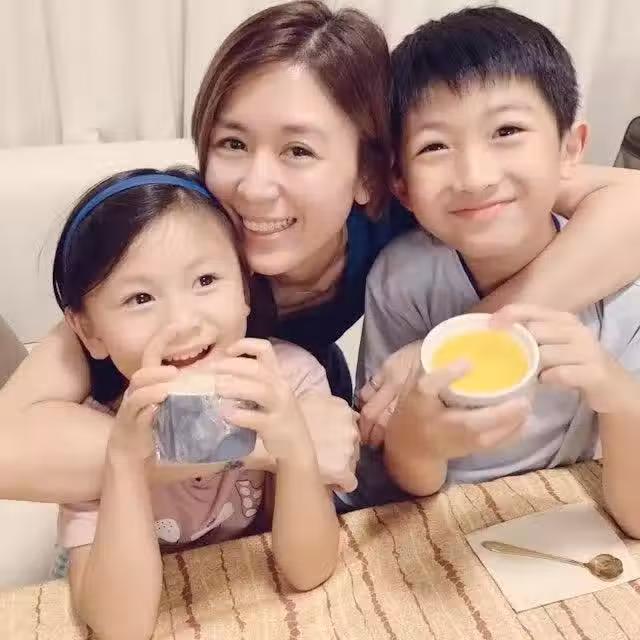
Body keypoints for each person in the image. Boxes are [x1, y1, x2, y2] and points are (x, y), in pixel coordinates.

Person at [3, 0, 640, 506]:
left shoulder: (406, 211)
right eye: (232, 144)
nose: (255, 187)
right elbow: (9, 448)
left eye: (299, 150)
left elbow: (626, 205)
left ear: (369, 174)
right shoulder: (175, 244)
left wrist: (461, 336)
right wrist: (249, 438)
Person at [354, 6, 640, 539]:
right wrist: (418, 438)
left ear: (570, 148)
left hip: (568, 525)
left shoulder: (622, 291)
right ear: (401, 184)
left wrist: (616, 396)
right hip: (440, 527)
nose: (475, 176)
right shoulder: (404, 281)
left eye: (507, 130)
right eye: (434, 146)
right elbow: (403, 484)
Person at [51, 167, 340, 638]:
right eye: (140, 298)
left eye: (206, 280)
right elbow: (120, 628)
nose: (182, 322)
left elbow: (309, 572)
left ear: (245, 288)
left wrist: (293, 448)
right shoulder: (92, 430)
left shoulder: (290, 381)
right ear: (88, 330)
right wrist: (125, 466)